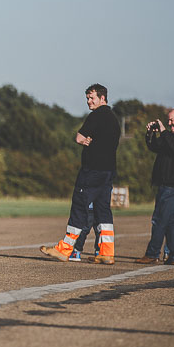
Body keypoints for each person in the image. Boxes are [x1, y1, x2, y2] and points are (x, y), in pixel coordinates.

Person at [41, 83, 120, 264]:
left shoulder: (96, 115)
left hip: (92, 170)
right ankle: (107, 251)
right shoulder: (114, 119)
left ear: (102, 98)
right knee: (103, 210)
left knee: (79, 206)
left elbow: (79, 137)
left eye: (92, 98)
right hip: (108, 171)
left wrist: (86, 141)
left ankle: (65, 248)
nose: (89, 102)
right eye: (87, 99)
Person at [134, 108, 174, 266]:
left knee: (159, 220)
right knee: (170, 222)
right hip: (166, 186)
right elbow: (154, 146)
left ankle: (152, 253)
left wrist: (163, 131)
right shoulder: (169, 137)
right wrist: (150, 133)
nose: (169, 124)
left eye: (171, 120)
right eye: (168, 121)